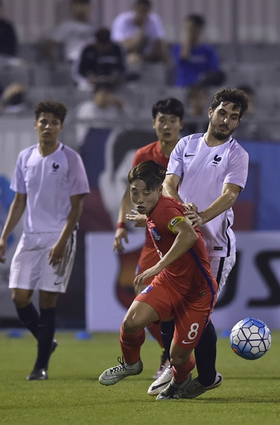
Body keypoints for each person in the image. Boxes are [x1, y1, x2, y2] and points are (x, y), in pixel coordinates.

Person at [98, 160, 218, 401]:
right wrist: (147, 220)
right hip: (171, 282)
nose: (139, 199)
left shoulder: (164, 210)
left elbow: (188, 235)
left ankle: (180, 381)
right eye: (134, 193)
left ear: (158, 190)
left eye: (146, 193)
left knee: (178, 356)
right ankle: (132, 364)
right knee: (131, 322)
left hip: (198, 292)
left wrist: (159, 265)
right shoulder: (154, 211)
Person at [157, 87, 249, 399]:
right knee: (168, 309)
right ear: (210, 112)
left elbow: (230, 195)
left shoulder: (237, 154)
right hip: (183, 241)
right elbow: (169, 184)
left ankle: (203, 377)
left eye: (234, 117)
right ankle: (180, 370)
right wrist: (182, 210)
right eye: (222, 113)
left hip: (214, 248)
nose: (227, 120)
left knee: (197, 314)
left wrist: (201, 217)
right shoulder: (187, 144)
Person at [0, 101, 89, 380]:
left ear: (61, 127)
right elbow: (18, 202)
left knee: (47, 300)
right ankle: (46, 339)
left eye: (54, 122)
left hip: (58, 236)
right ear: (35, 124)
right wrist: (4, 236)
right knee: (19, 296)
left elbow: (77, 207)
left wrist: (62, 242)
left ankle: (40, 367)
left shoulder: (71, 159)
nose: (48, 126)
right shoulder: (25, 157)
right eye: (43, 121)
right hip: (30, 236)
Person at [113, 98, 185, 380]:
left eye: (172, 120)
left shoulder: (188, 152)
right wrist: (121, 225)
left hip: (182, 236)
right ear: (154, 123)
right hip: (153, 239)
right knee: (141, 290)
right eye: (161, 120)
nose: (166, 125)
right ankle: (169, 353)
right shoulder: (144, 154)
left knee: (182, 301)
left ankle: (183, 358)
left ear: (181, 124)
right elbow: (129, 193)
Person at [44, 0, 96, 87]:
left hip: (91, 65)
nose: (81, 8)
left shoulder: (94, 27)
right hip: (72, 63)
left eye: (84, 5)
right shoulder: (66, 25)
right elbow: (49, 44)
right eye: (77, 5)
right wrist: (54, 63)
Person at [171, 14, 224, 87]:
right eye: (187, 29)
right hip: (183, 86)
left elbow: (214, 71)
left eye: (192, 28)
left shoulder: (209, 51)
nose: (190, 32)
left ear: (199, 29)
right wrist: (187, 41)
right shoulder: (178, 48)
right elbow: (182, 59)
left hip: (202, 88)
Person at [74, 83, 131, 149]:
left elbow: (128, 126)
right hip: (90, 144)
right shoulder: (87, 107)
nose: (104, 96)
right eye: (102, 93)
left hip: (111, 144)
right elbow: (86, 131)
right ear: (94, 95)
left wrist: (122, 107)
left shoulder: (115, 109)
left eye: (108, 93)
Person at [111, 0, 168, 65]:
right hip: (125, 57)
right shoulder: (122, 20)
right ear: (135, 9)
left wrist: (143, 57)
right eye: (141, 10)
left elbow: (160, 45)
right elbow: (126, 47)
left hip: (146, 57)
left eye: (145, 11)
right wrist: (141, 29)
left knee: (164, 59)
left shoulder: (154, 20)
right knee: (131, 59)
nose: (142, 14)